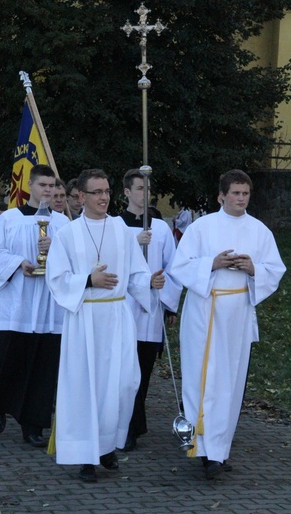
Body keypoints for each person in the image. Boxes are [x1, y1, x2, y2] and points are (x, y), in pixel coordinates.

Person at [46, 168, 165, 483]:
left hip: (116, 317)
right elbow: (55, 278)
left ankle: (106, 445)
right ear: (81, 196)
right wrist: (88, 280)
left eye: (107, 191)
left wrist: (149, 281)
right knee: (86, 388)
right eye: (96, 192)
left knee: (123, 384)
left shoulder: (121, 230)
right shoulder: (67, 234)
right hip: (85, 319)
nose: (103, 198)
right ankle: (86, 457)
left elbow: (136, 272)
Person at [172, 169, 286, 479]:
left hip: (236, 312)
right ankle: (202, 446)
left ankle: (218, 451)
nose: (240, 199)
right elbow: (179, 266)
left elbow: (274, 269)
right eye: (235, 193)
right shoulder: (202, 227)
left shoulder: (260, 230)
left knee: (231, 382)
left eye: (245, 194)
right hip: (204, 310)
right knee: (202, 378)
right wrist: (212, 263)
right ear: (222, 195)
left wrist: (252, 268)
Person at [0, 164, 69, 447]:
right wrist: (19, 263)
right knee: (2, 361)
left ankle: (33, 426)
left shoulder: (63, 224)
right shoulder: (9, 219)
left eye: (51, 186)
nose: (47, 190)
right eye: (42, 185)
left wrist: (55, 250)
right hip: (14, 305)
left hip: (47, 307)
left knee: (42, 368)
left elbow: (75, 259)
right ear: (30, 186)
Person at [120, 169, 182, 451]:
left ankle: (134, 424)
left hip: (150, 312)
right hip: (122, 308)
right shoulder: (114, 226)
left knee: (142, 371)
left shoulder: (161, 228)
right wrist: (134, 243)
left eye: (148, 189)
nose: (145, 194)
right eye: (139, 188)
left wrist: (169, 304)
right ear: (126, 193)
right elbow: (106, 260)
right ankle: (124, 425)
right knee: (123, 372)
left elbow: (173, 267)